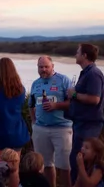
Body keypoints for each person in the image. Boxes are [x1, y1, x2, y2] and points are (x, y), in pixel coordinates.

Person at [28, 56, 73, 187]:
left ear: (53, 66)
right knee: (46, 164)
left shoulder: (63, 80)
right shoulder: (36, 83)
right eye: (40, 67)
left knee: (65, 166)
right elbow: (31, 105)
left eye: (46, 67)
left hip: (62, 128)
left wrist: (56, 106)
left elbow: (73, 103)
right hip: (41, 128)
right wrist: (34, 122)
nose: (43, 69)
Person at [65, 44, 104, 185]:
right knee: (76, 159)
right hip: (81, 123)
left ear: (85, 55)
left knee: (82, 160)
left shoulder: (93, 74)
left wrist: (74, 94)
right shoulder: (86, 72)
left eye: (77, 52)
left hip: (89, 125)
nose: (76, 54)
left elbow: (95, 99)